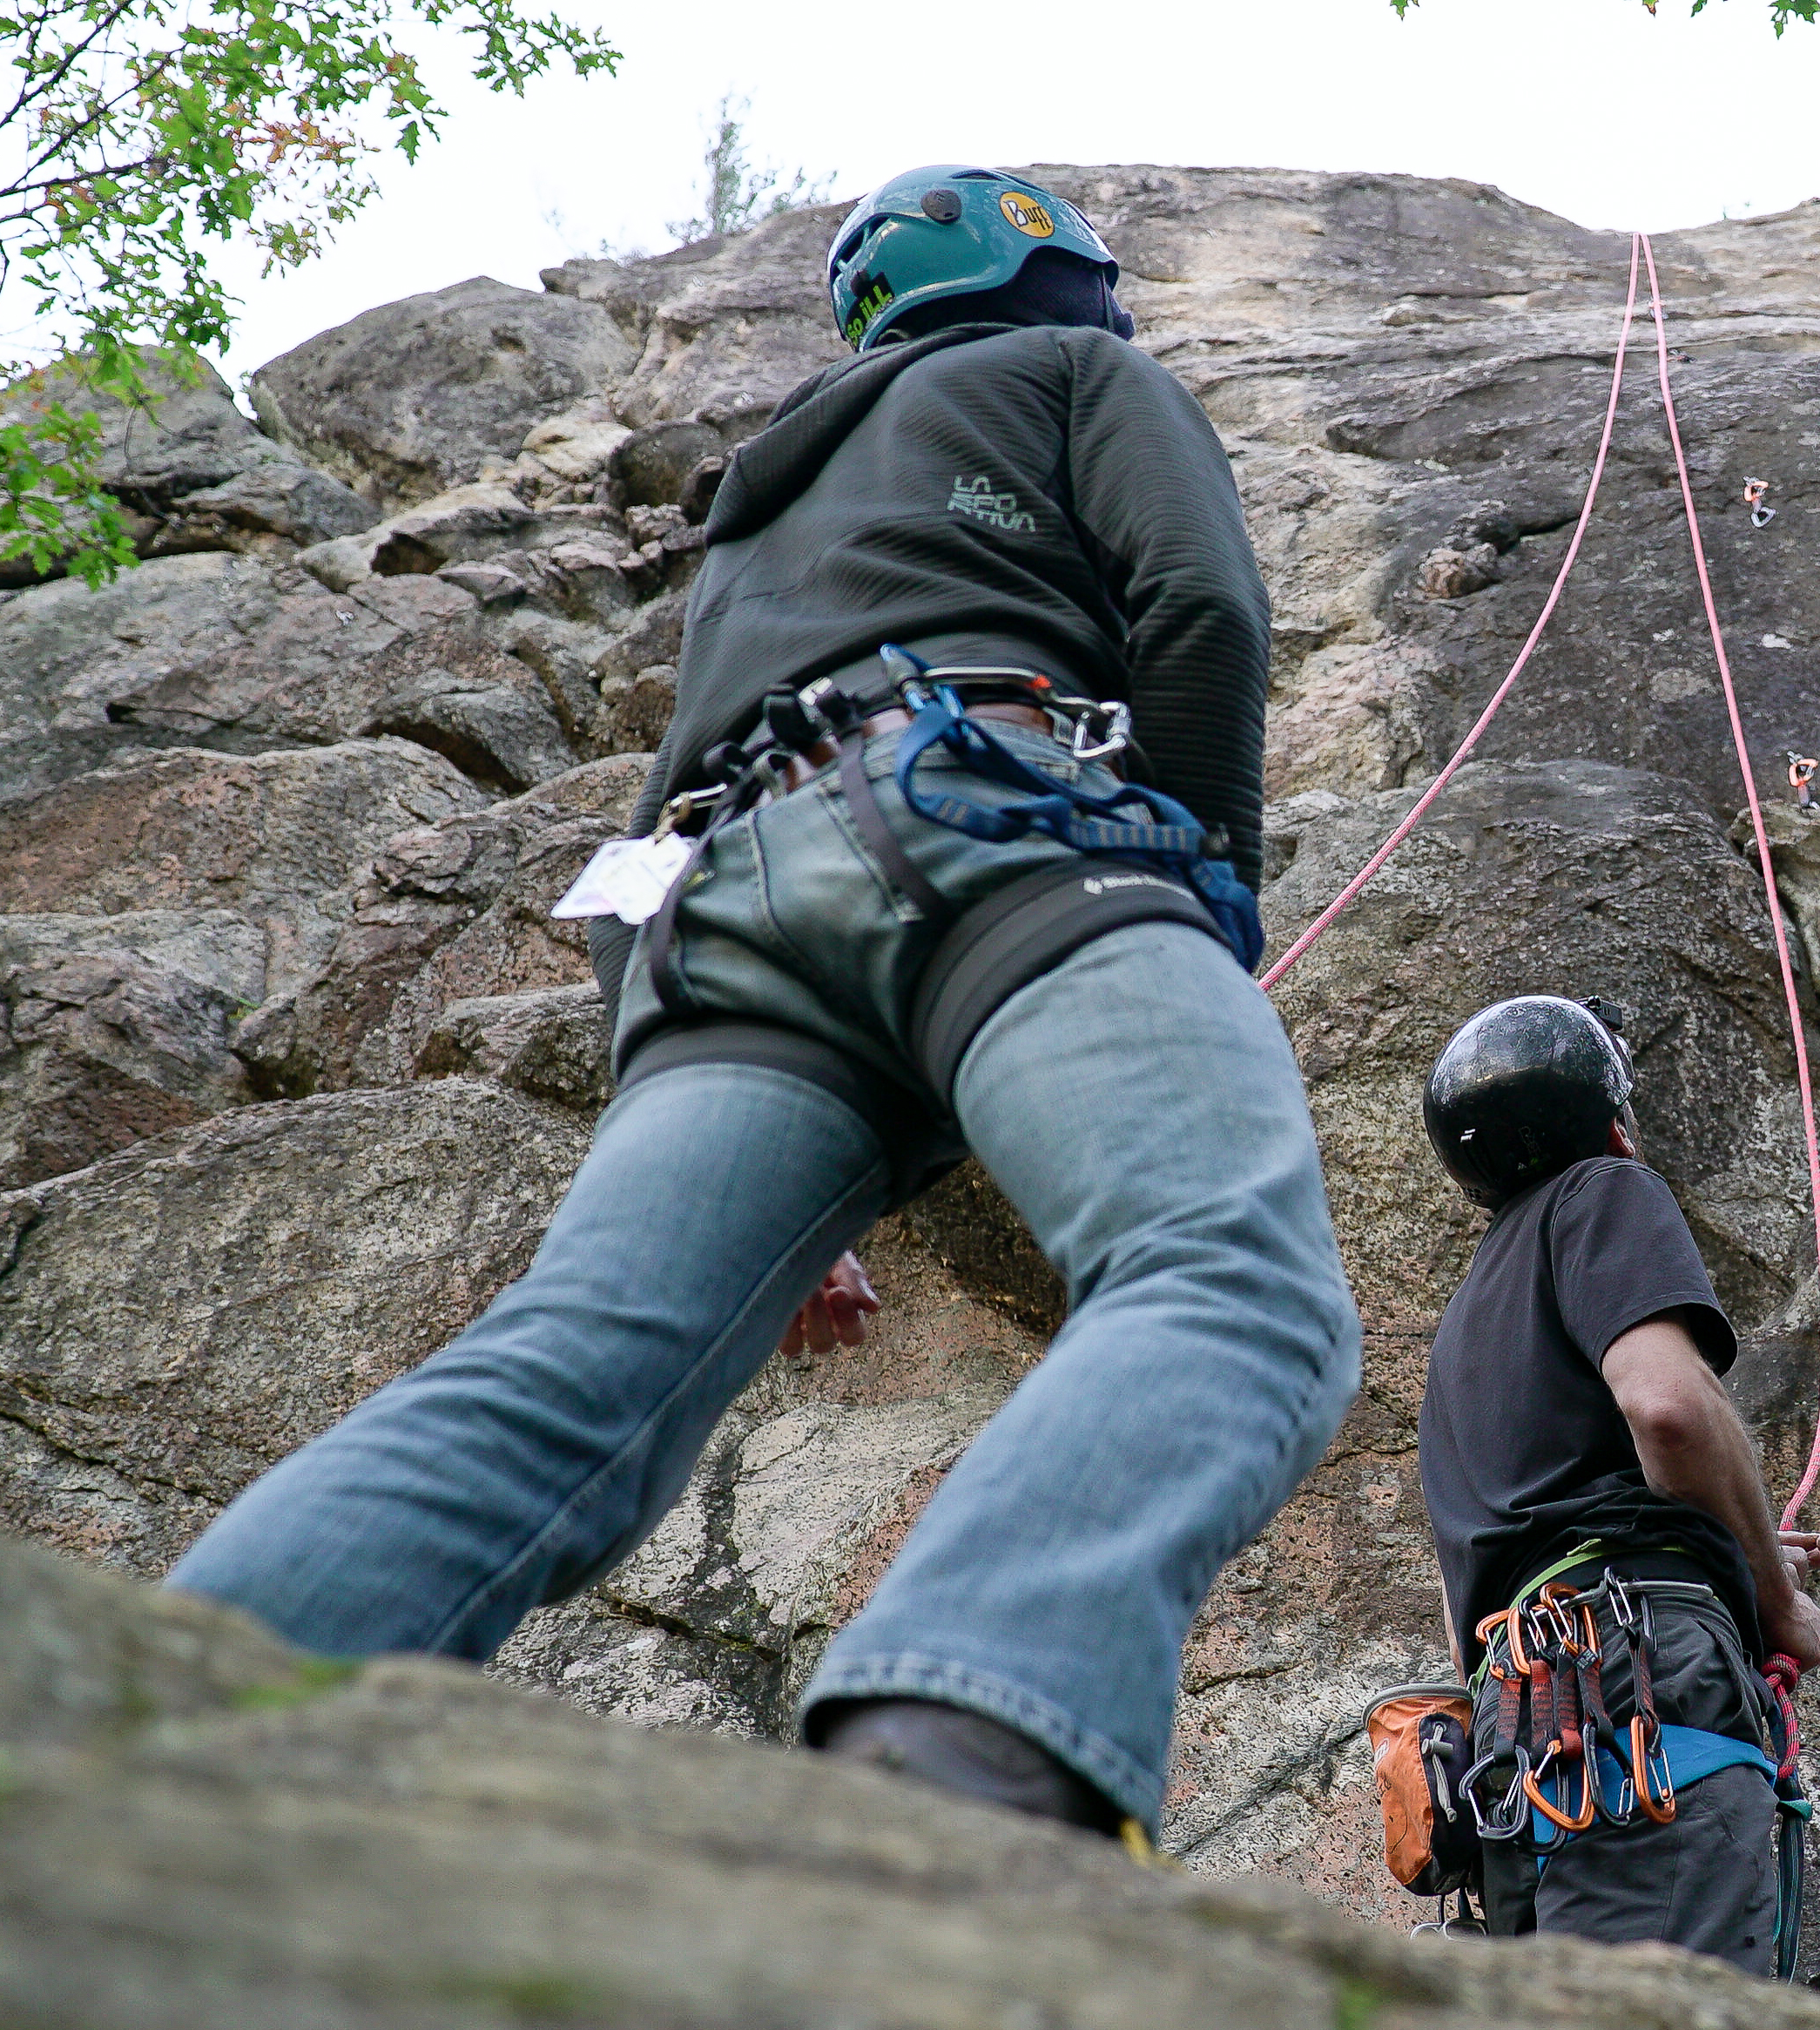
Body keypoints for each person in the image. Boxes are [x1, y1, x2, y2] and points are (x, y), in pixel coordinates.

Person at [166, 165, 1361, 1848]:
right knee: (1234, 1284)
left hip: (725, 922)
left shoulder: (757, 518)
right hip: (1003, 837)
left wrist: (771, 1155)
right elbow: (1202, 608)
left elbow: (638, 844)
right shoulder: (1084, 375)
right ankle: (956, 1771)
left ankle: (171, 1716)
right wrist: (1202, 890)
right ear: (1052, 267)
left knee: (570, 1369)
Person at [1413, 994, 1820, 1973]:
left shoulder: (1462, 1338)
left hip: (1520, 1736)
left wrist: (1727, 1546)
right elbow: (1670, 1409)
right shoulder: (1604, 1189)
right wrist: (1774, 1603)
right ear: (1613, 1124)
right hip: (1632, 1682)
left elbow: (1470, 1603)